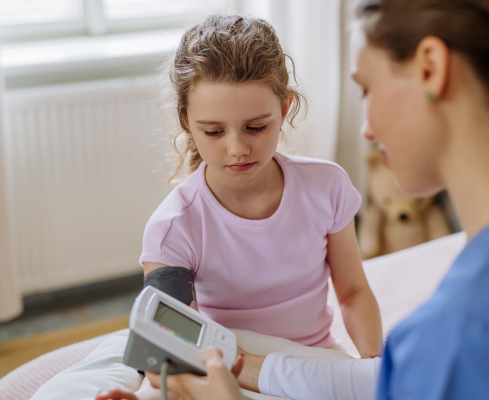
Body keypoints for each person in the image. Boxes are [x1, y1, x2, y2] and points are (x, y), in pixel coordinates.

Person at [100, 0, 489, 398]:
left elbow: (364, 318)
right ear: (189, 122)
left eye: (365, 87)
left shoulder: (452, 339)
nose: (364, 127)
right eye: (214, 130)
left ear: (431, 68)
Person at [97, 14, 382, 400]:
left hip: (310, 363)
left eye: (256, 127)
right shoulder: (174, 226)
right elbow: (175, 344)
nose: (237, 148)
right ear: (186, 121)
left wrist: (372, 361)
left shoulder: (326, 186)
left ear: (284, 109)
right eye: (214, 132)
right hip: (229, 369)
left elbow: (352, 292)